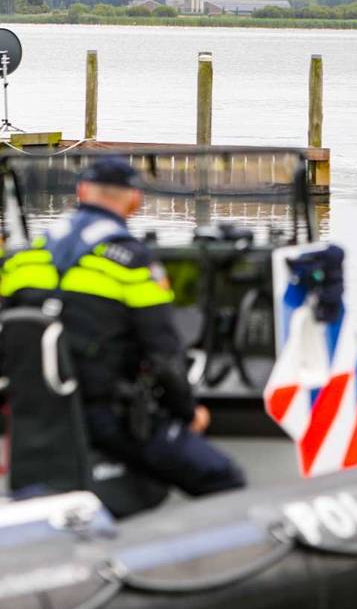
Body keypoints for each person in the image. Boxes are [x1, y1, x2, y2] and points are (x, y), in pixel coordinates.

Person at [0, 158, 245, 497]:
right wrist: (188, 413)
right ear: (135, 200)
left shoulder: (21, 260)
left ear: (81, 192)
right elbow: (165, 357)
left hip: (33, 416)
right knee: (223, 476)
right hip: (105, 418)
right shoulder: (132, 264)